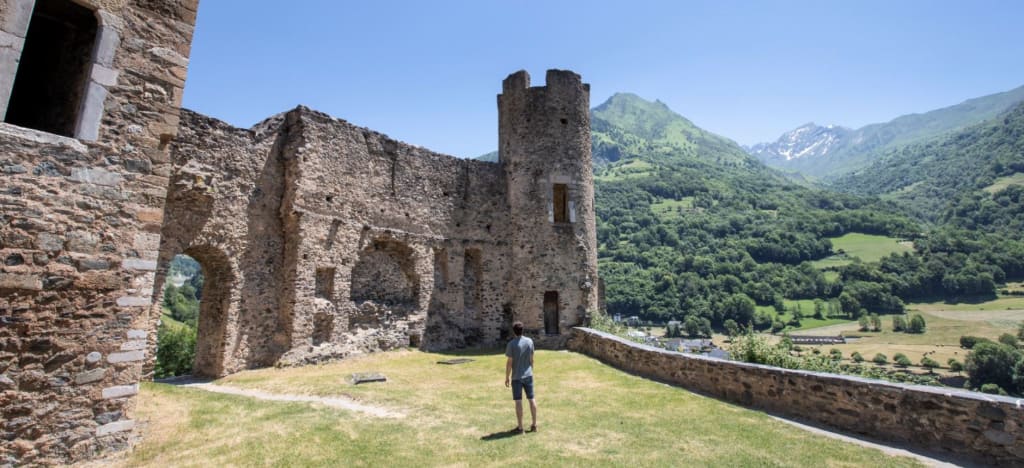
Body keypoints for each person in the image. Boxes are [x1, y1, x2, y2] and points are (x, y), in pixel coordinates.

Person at [504, 321, 536, 433]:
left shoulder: (511, 344)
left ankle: (520, 427)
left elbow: (509, 363)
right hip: (528, 375)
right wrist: (531, 370)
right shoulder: (530, 342)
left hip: (517, 377)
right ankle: (534, 425)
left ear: (514, 331)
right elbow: (532, 359)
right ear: (523, 330)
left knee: (518, 401)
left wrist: (507, 377)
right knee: (531, 399)